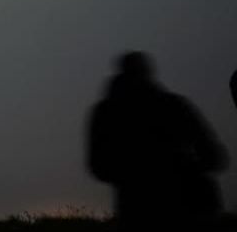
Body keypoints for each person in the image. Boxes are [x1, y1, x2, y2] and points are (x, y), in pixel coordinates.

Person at [87, 51, 228, 231]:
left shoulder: (104, 113)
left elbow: (98, 166)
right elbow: (214, 156)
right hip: (187, 204)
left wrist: (131, 176)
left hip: (135, 208)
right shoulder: (174, 105)